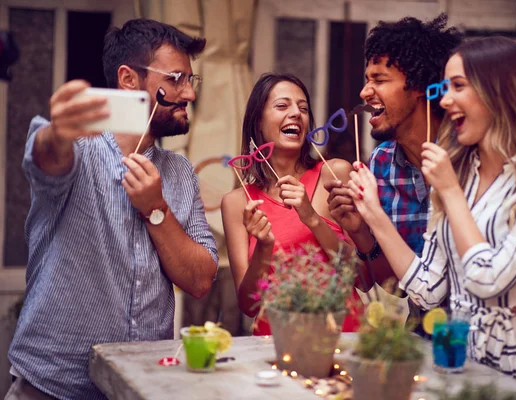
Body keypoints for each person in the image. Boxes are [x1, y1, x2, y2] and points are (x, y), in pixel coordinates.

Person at [346, 36, 516, 399]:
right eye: (445, 88)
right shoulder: (456, 172)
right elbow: (428, 291)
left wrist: (448, 191)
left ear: (501, 92)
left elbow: (489, 278)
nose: (444, 100)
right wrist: (373, 213)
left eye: (458, 87)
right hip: (466, 379)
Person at [6, 19, 218, 400]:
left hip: (140, 388)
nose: (188, 92)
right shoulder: (78, 148)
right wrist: (58, 132)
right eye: (175, 78)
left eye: (191, 80)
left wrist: (156, 210)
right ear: (128, 79)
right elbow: (47, 154)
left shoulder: (181, 173)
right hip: (52, 387)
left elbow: (201, 280)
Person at [221, 73, 360, 335]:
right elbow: (249, 305)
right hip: (276, 343)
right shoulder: (237, 202)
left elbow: (361, 278)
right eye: (283, 106)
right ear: (258, 122)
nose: (296, 113)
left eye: (303, 108)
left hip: (344, 337)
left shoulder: (336, 173)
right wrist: (264, 248)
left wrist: (313, 219)